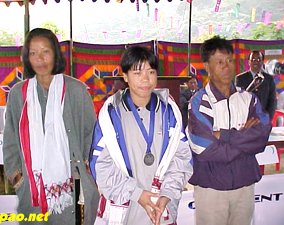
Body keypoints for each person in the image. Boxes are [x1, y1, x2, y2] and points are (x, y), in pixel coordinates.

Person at [2, 28, 99, 225]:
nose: (40, 58)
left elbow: (93, 135)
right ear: (27, 58)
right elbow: (10, 140)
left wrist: (90, 172)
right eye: (33, 53)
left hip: (75, 182)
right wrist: (16, 176)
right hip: (32, 186)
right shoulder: (17, 94)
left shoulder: (76, 90)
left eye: (45, 51)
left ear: (55, 53)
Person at [89, 46, 193, 225]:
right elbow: (100, 165)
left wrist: (167, 194)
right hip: (125, 208)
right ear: (125, 76)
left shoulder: (169, 112)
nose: (146, 79)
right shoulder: (111, 115)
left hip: (161, 208)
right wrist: (137, 194)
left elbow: (182, 159)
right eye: (137, 72)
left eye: (151, 72)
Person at [186, 36, 271, 225]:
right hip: (211, 188)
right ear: (207, 66)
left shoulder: (248, 99)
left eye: (230, 60)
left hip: (244, 185)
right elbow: (205, 149)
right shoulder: (200, 103)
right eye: (219, 62)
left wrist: (223, 135)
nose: (227, 66)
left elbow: (262, 136)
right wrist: (244, 141)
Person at [235, 50, 277, 119]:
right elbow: (239, 100)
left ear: (262, 62)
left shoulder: (269, 79)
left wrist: (267, 118)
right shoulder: (240, 78)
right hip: (246, 120)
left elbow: (272, 100)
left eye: (258, 59)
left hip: (264, 120)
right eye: (253, 59)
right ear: (249, 62)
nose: (256, 62)